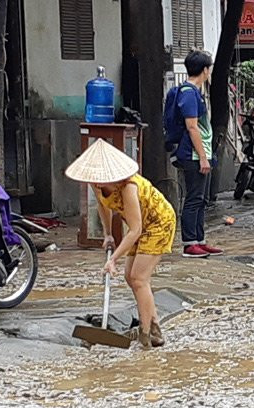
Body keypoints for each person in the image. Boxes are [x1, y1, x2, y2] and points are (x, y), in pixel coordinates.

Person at [65, 139, 177, 349]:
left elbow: (135, 229)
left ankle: (145, 334)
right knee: (130, 276)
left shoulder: (129, 187)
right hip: (138, 224)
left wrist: (113, 259)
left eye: (103, 179)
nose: (98, 184)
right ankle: (154, 327)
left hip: (158, 222)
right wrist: (108, 234)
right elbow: (103, 205)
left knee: (138, 278)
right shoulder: (97, 184)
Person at [171, 50, 223, 258]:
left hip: (201, 153)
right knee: (194, 198)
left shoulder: (194, 92)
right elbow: (192, 127)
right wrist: (202, 156)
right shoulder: (189, 93)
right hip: (193, 155)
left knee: (201, 199)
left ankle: (199, 240)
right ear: (205, 70)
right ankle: (189, 242)